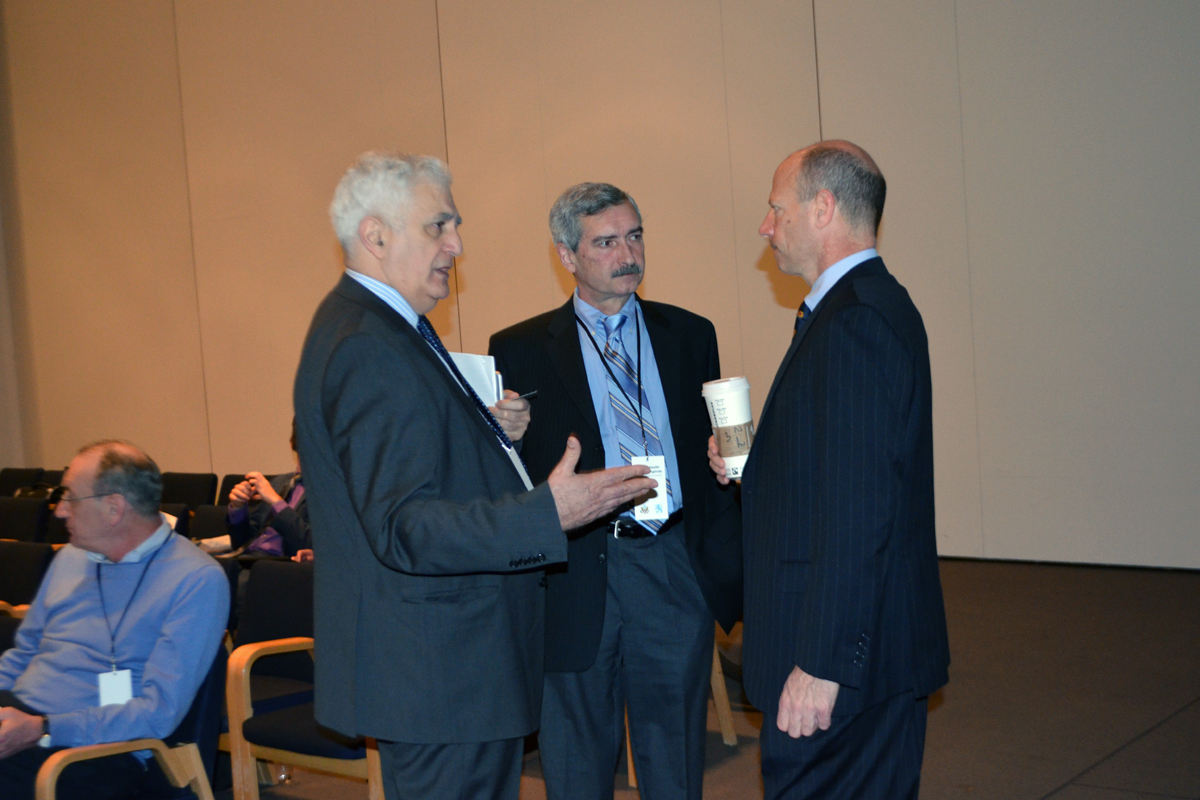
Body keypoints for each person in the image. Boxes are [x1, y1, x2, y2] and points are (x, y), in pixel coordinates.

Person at [293, 153, 656, 800]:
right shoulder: (368, 344)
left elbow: (417, 469)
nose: (456, 245)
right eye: (439, 226)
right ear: (376, 236)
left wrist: (486, 436)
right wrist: (548, 513)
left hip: (448, 670)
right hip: (439, 676)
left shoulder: (383, 327)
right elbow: (403, 525)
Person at [709, 141, 950, 799]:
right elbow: (846, 470)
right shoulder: (865, 307)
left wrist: (822, 664)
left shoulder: (855, 322)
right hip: (867, 655)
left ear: (822, 209)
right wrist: (758, 465)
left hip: (840, 664)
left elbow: (860, 510)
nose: (766, 226)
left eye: (776, 209)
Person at [489, 182, 742, 800]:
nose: (627, 254)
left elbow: (713, 446)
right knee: (576, 758)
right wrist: (504, 435)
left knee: (675, 755)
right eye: (605, 243)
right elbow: (507, 477)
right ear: (566, 256)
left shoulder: (690, 333)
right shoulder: (520, 348)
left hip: (670, 562)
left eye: (634, 236)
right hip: (575, 569)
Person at [0, 440, 228, 800]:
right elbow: (24, 653)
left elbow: (158, 713)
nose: (60, 511)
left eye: (70, 498)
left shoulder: (196, 579)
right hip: (20, 717)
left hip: (97, 749)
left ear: (114, 507)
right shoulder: (70, 558)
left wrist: (43, 728)